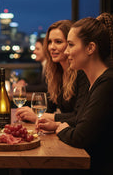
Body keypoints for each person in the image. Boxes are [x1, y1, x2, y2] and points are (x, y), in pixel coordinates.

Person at [36, 14, 113, 175]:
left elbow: (80, 136)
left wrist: (61, 126)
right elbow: (80, 121)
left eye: (70, 45)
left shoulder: (106, 83)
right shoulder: (98, 81)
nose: (67, 51)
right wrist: (59, 125)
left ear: (90, 48)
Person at [16, 20, 89, 123]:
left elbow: (78, 117)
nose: (52, 47)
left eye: (58, 42)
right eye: (50, 42)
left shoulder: (82, 73)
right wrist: (27, 113)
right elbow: (49, 108)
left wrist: (39, 116)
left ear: (70, 44)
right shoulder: (56, 73)